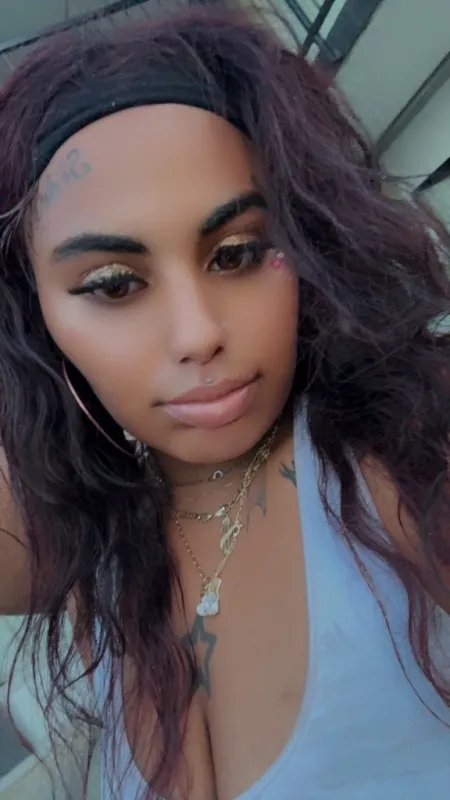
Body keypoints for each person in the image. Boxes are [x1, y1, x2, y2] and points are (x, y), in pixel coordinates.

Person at [0, 2, 449, 798]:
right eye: (115, 284)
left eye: (238, 253)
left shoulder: (406, 462)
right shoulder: (92, 552)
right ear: (37, 320)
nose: (198, 333)